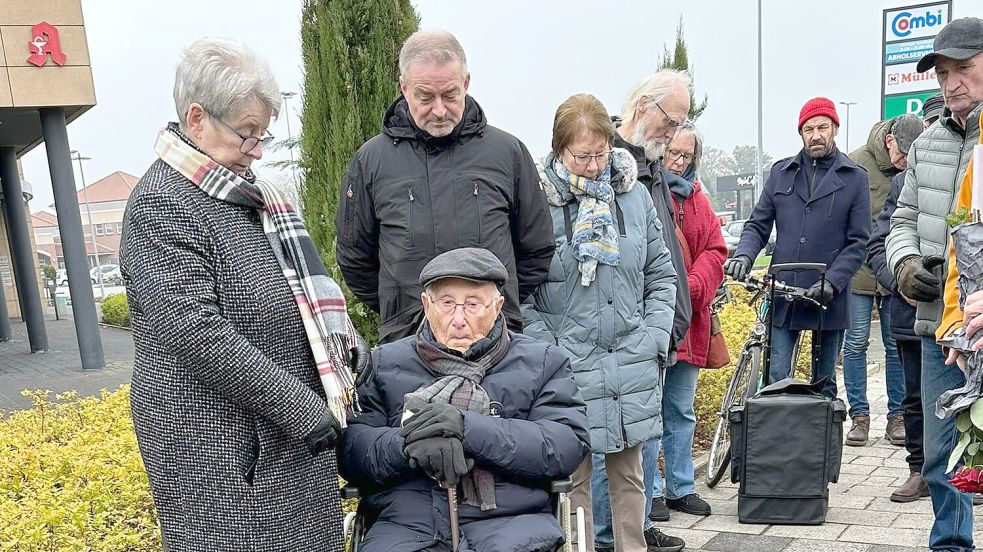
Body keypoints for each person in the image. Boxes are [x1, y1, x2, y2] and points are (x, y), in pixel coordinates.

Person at [119, 38, 364, 551]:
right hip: (220, 448)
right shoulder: (160, 205)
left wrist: (349, 351)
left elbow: (304, 289)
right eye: (247, 134)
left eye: (262, 136)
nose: (256, 150)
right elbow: (195, 331)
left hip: (286, 440)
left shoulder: (252, 195)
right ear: (196, 119)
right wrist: (300, 406)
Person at [340, 247, 589, 552]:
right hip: (406, 524)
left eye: (472, 304)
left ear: (497, 306)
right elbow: (352, 448)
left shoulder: (543, 362)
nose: (458, 319)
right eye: (446, 303)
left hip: (513, 522)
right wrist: (409, 445)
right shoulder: (385, 363)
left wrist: (469, 429)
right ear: (426, 305)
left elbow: (564, 444)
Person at [524, 94, 682, 552]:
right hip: (567, 363)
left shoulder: (632, 196)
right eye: (581, 156)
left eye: (600, 154)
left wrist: (652, 335)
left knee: (631, 478)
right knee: (573, 482)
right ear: (558, 150)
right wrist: (548, 350)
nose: (593, 166)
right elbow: (522, 293)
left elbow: (662, 273)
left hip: (630, 357)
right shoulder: (538, 203)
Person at [336, 29, 554, 344]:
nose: (439, 110)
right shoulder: (371, 161)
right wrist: (404, 307)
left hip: (495, 345)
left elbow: (536, 248)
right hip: (409, 348)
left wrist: (490, 306)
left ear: (466, 83)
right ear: (404, 88)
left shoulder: (507, 153)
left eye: (450, 95)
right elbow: (355, 259)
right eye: (425, 97)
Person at [886, 16, 983, 550]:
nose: (951, 84)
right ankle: (949, 542)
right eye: (943, 73)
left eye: (963, 69)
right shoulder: (927, 143)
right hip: (940, 329)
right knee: (944, 451)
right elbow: (899, 219)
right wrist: (903, 264)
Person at [592, 70, 694, 533]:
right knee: (605, 449)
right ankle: (603, 536)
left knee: (644, 439)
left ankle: (638, 529)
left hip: (649, 333)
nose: (674, 134)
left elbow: (660, 259)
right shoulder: (603, 164)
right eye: (671, 122)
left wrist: (660, 329)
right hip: (611, 340)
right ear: (643, 109)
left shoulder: (652, 168)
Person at [725, 97, 871, 399]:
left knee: (825, 383)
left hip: (828, 294)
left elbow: (859, 242)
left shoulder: (855, 178)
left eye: (822, 127)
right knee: (777, 377)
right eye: (808, 129)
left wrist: (833, 281)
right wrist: (744, 255)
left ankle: (823, 445)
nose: (816, 134)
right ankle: (781, 445)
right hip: (785, 290)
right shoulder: (781, 173)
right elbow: (758, 224)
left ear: (834, 129)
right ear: (801, 133)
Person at [643, 124, 727, 522]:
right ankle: (652, 492)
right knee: (650, 413)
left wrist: (694, 285)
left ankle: (681, 485)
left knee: (680, 409)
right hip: (657, 322)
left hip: (690, 322)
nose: (678, 161)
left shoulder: (698, 200)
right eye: (672, 153)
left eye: (686, 155)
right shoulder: (645, 191)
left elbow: (716, 248)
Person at [841, 113, 923, 447]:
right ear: (889, 141)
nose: (905, 163)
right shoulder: (855, 163)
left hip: (894, 273)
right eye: (902, 156)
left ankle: (897, 417)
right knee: (856, 343)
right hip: (860, 271)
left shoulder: (914, 167)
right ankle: (858, 416)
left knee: (894, 346)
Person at [867, 168, 930, 502]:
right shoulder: (904, 182)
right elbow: (878, 244)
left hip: (965, 309)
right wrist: (898, 281)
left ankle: (967, 469)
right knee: (915, 398)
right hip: (912, 314)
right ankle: (918, 470)